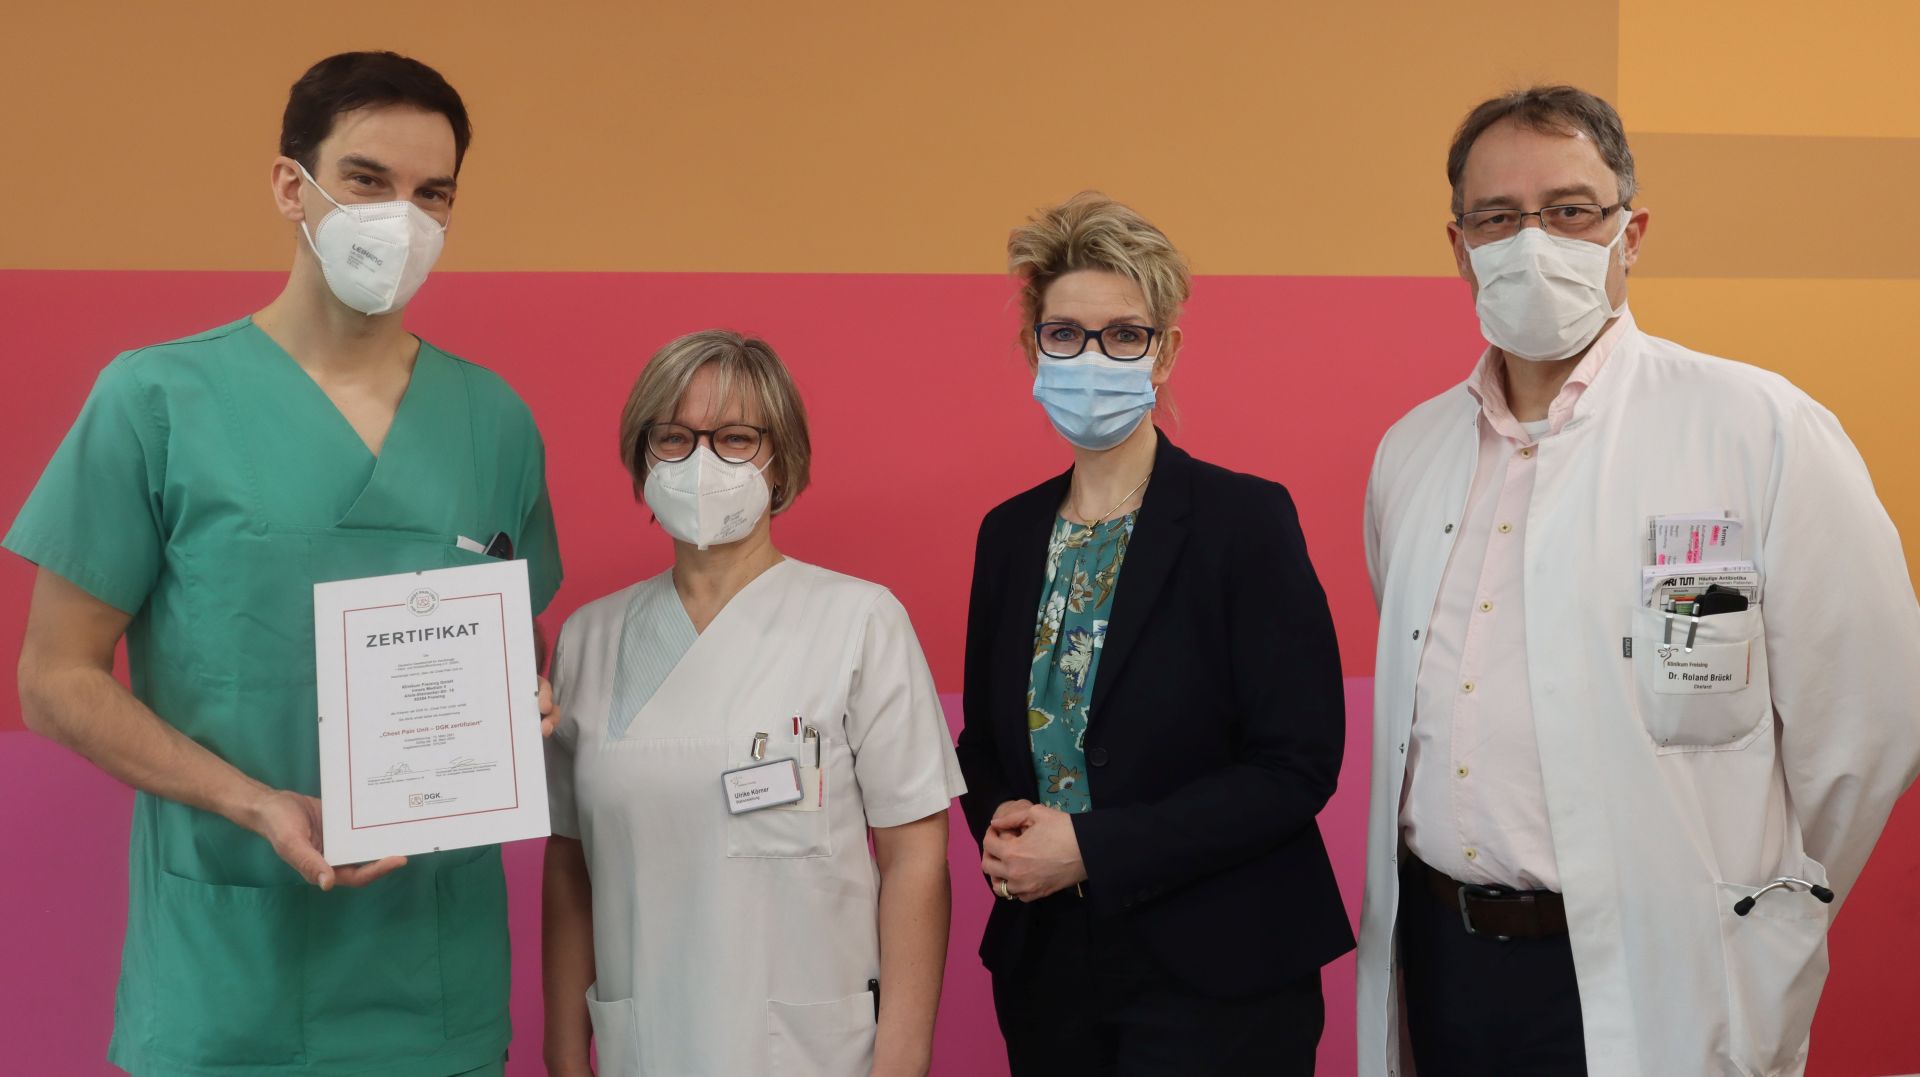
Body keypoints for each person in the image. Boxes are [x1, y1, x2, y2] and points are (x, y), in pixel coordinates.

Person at [5, 52, 561, 1076]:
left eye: (431, 194)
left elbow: (512, 644)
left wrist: (524, 700)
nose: (400, 218)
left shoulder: (494, 422)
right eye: (367, 179)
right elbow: (53, 680)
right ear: (289, 185)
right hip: (229, 976)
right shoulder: (156, 402)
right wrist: (252, 801)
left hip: (436, 978)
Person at [1357, 85, 1920, 1076]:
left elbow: (1870, 726)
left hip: (1671, 962)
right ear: (1460, 246)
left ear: (1632, 233)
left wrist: (1754, 898)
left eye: (1571, 211)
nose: (1534, 243)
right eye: (1499, 218)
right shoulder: (1412, 453)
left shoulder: (1758, 429)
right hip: (1446, 959)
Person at [954, 192, 1352, 1075]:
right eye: (1065, 334)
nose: (1091, 357)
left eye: (1123, 335)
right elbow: (984, 741)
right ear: (1033, 347)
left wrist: (1089, 849)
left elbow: (1296, 765)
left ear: (1164, 352)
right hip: (1048, 968)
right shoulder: (1008, 533)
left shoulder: (1245, 520)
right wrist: (1004, 827)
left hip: (1220, 971)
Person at [540, 330, 964, 1077]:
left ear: (781, 462)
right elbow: (571, 864)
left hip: (812, 1048)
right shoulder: (590, 639)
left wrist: (902, 1058)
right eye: (673, 438)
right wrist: (565, 1048)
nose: (700, 462)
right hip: (648, 1041)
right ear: (643, 458)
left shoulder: (859, 621)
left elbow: (916, 857)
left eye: (735, 439)